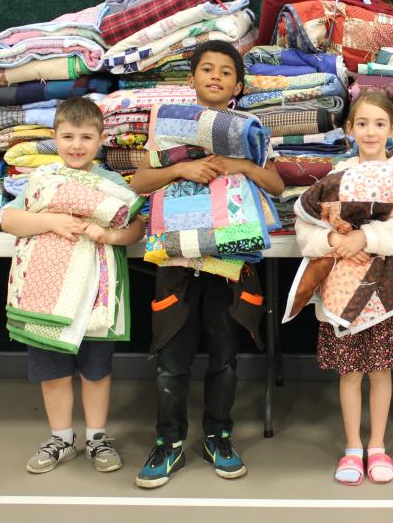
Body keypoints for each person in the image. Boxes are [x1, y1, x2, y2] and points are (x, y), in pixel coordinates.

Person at [130, 40, 284, 488]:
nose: (215, 76)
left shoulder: (249, 129)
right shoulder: (169, 127)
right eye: (206, 69)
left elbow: (274, 183)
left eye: (225, 71)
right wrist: (182, 171)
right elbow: (141, 180)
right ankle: (169, 442)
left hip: (228, 256)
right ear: (192, 78)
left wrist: (241, 165)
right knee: (172, 356)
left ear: (238, 84)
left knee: (224, 355)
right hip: (176, 255)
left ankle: (218, 435)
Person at [1, 97, 146, 474]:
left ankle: (97, 437)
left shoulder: (111, 183)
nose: (76, 145)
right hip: (47, 297)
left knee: (96, 370)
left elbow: (136, 227)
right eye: (67, 136)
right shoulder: (43, 180)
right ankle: (61, 438)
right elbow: (10, 220)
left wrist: (106, 234)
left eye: (86, 136)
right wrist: (51, 222)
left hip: (95, 295)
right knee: (53, 370)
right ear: (54, 138)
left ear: (101, 139)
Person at [294, 92, 393, 486]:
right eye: (362, 123)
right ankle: (352, 447)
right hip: (343, 283)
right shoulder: (335, 176)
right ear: (348, 129)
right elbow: (307, 223)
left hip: (387, 286)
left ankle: (378, 446)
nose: (370, 132)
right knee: (350, 371)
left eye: (378, 124)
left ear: (392, 129)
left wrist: (367, 237)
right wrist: (332, 243)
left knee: (381, 369)